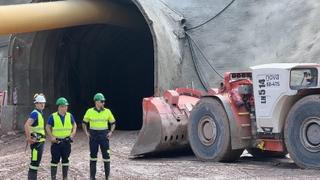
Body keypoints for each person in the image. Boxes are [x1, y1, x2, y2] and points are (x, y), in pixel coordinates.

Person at [82, 93, 116, 180]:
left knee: (106, 156)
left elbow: (113, 123)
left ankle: (107, 177)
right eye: (102, 101)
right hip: (93, 136)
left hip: (104, 136)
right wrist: (86, 133)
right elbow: (84, 123)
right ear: (96, 102)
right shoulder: (89, 111)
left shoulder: (107, 111)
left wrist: (111, 132)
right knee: (93, 156)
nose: (103, 103)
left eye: (104, 101)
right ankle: (92, 177)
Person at [46, 97, 77, 180]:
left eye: (66, 106)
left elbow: (74, 125)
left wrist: (72, 134)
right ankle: (53, 178)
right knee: (54, 160)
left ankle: (65, 178)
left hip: (66, 142)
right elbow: (47, 127)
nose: (66, 108)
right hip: (57, 142)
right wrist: (51, 137)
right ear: (59, 107)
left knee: (65, 160)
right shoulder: (52, 116)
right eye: (64, 106)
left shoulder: (70, 116)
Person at [24, 93, 47, 180]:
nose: (42, 104)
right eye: (40, 103)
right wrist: (29, 138)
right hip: (36, 144)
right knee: (34, 164)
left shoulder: (39, 113)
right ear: (36, 104)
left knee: (35, 163)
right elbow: (26, 125)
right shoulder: (35, 114)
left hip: (39, 142)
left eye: (43, 103)